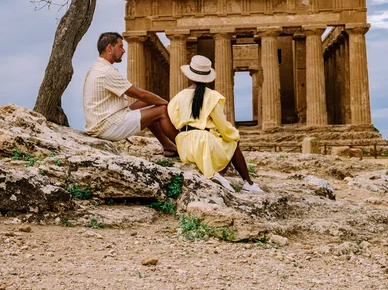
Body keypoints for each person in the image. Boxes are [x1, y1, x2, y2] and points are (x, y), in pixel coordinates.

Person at [168, 55, 264, 194]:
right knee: (232, 142)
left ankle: (219, 177)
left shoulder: (179, 96)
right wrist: (234, 134)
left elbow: (174, 120)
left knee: (225, 141)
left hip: (184, 144)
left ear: (189, 76)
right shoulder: (212, 96)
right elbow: (222, 125)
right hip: (203, 142)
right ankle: (247, 183)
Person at [83, 32, 178, 157]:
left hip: (104, 119)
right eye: (121, 46)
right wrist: (167, 104)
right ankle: (185, 146)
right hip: (106, 127)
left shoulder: (97, 67)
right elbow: (140, 94)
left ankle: (168, 146)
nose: (124, 51)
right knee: (161, 110)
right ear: (110, 48)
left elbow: (144, 98)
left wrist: (158, 100)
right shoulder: (106, 71)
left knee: (149, 103)